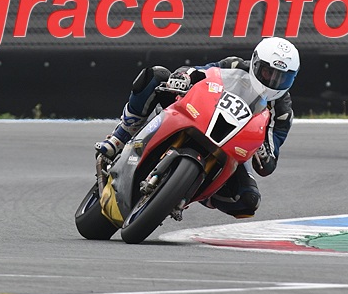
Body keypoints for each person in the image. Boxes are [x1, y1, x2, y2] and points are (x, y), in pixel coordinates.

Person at [95, 36, 300, 219]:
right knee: (156, 76)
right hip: (199, 112)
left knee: (248, 201)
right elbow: (200, 71)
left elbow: (268, 164)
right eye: (268, 72)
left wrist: (262, 152)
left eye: (282, 77)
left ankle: (197, 191)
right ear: (255, 63)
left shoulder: (282, 113)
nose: (273, 81)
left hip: (232, 146)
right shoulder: (235, 65)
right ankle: (121, 135)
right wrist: (184, 77)